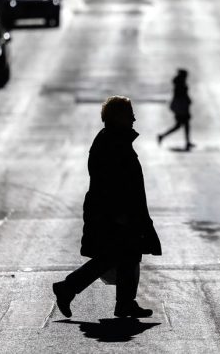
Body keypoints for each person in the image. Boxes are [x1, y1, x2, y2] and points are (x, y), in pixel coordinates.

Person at [53, 96, 162, 319]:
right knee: (115, 255)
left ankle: (121, 302)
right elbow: (109, 182)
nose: (134, 118)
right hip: (115, 213)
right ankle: (71, 288)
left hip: (119, 212)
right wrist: (120, 214)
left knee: (122, 255)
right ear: (117, 117)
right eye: (129, 113)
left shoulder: (113, 139)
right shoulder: (112, 142)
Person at [158, 69, 193, 149]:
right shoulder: (180, 85)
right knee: (182, 125)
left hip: (182, 107)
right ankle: (162, 136)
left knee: (182, 125)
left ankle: (187, 141)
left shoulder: (179, 84)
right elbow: (181, 96)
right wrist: (187, 101)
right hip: (182, 107)